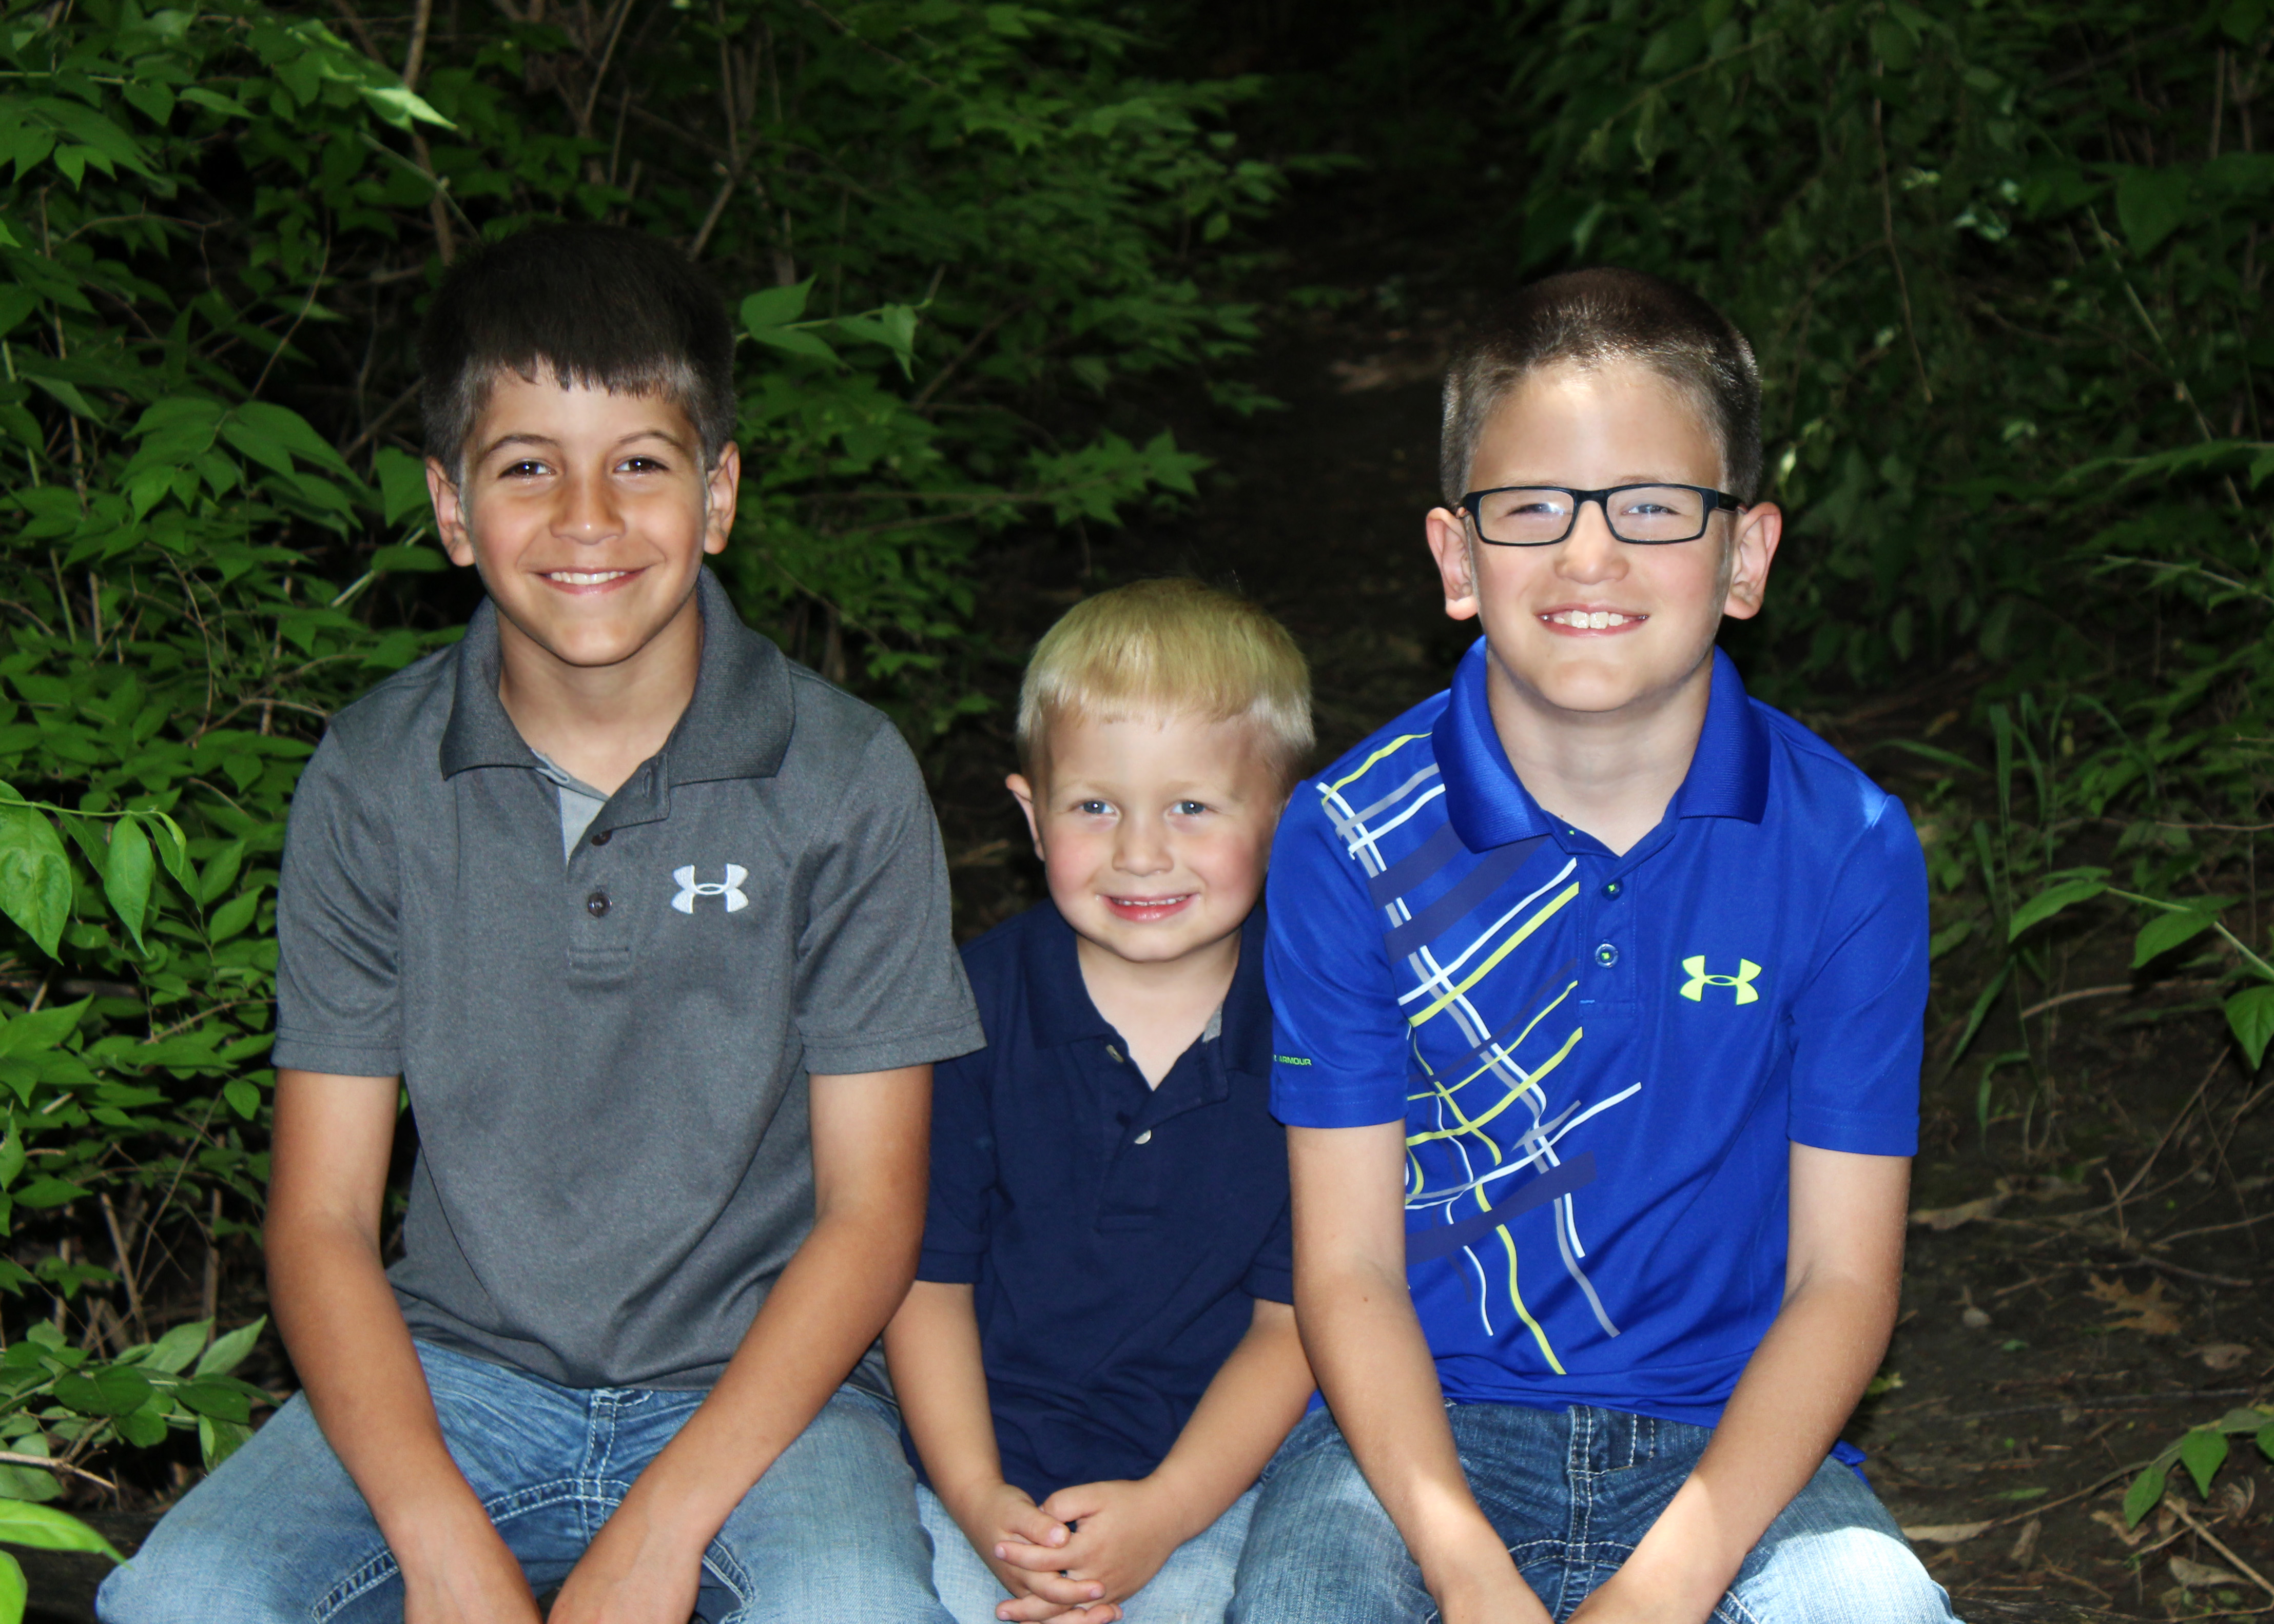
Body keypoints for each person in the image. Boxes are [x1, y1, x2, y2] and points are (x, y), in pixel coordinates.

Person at [98, 223, 984, 1624]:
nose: (586, 517)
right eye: (526, 467)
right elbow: (322, 1218)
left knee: (854, 1606)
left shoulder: (840, 774)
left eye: (640, 462)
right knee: (186, 1594)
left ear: (718, 494)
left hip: (763, 1388)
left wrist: (665, 1526)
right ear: (452, 509)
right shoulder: (376, 776)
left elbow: (872, 1211)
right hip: (449, 1373)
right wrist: (435, 1532)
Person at [1232, 268, 1957, 1624]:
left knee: (1872, 1603)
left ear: (1745, 555)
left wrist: (1667, 1584)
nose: (1588, 555)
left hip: (1731, 1446)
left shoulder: (1845, 843)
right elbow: (1347, 1267)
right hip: (1419, 1435)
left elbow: (1844, 1276)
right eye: (1531, 507)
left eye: (1653, 506)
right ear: (1457, 557)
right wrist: (1462, 1563)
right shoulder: (1349, 837)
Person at [885, 579, 1318, 1624]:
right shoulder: (966, 1010)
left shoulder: (1320, 1028)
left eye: (1191, 806)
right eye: (1094, 805)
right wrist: (981, 1500)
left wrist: (1167, 1510)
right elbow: (924, 1286)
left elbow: (1294, 1323)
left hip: (1216, 1492)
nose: (1139, 851)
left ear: (1285, 816)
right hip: (971, 1479)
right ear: (1031, 816)